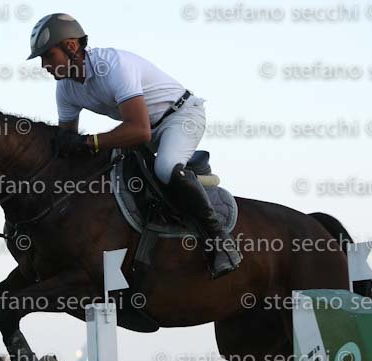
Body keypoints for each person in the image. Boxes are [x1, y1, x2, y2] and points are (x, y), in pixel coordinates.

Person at [26, 13, 241, 278]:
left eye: (48, 56)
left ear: (71, 46)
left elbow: (139, 130)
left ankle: (220, 241)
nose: (44, 65)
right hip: (145, 128)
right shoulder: (66, 89)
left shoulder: (112, 66)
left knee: (165, 168)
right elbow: (67, 145)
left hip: (180, 117)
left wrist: (89, 142)